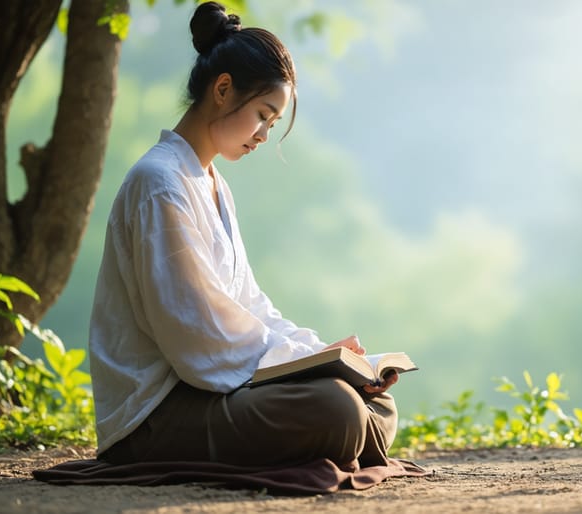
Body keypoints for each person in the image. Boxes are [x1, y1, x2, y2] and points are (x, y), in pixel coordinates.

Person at [88, 1, 399, 469]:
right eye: (262, 115)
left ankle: (340, 404)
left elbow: (250, 305)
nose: (263, 136)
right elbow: (194, 334)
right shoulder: (158, 183)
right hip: (159, 411)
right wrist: (302, 366)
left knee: (372, 404)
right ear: (223, 88)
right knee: (337, 410)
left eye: (272, 124)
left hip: (217, 389)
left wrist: (321, 354)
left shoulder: (213, 183)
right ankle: (335, 416)